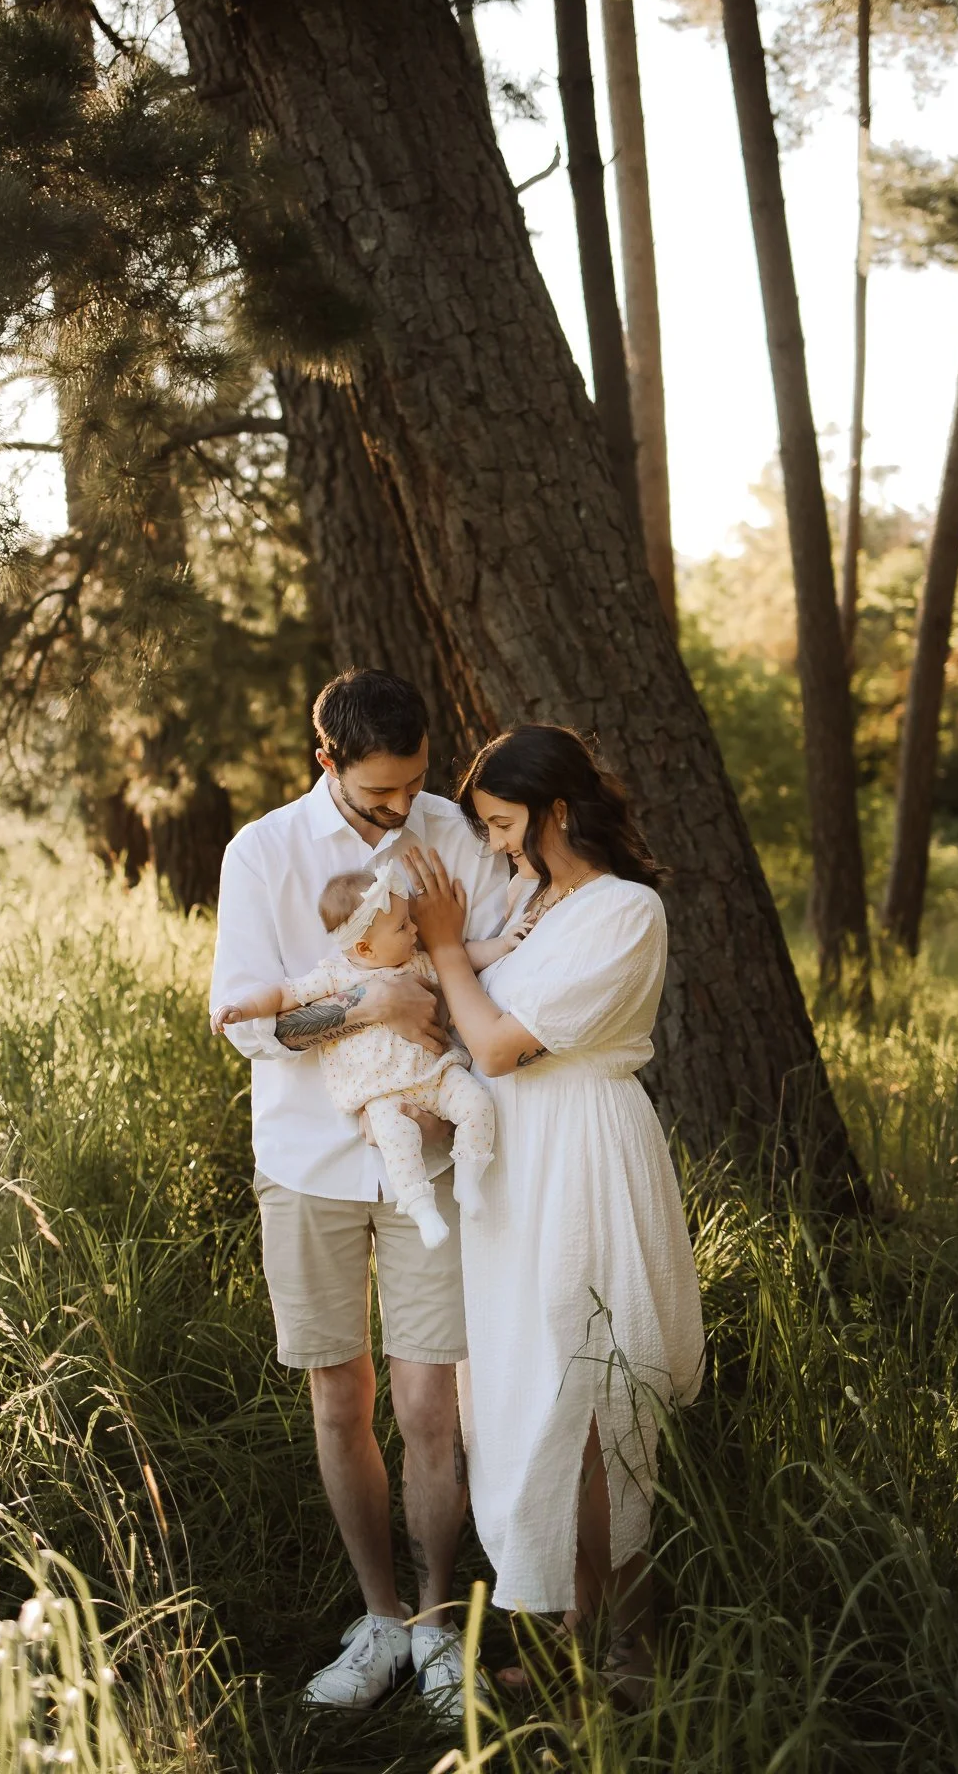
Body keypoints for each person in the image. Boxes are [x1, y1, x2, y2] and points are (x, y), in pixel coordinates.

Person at [209, 668, 508, 1716]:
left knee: (431, 1402)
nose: (400, 810)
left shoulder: (449, 830)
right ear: (324, 757)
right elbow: (244, 1024)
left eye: (414, 784)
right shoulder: (263, 852)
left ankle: (434, 1625)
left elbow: (499, 964)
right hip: (306, 1159)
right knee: (341, 1396)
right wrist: (359, 999)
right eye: (379, 793)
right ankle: (377, 1613)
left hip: (426, 1158)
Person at [405, 723, 706, 1698]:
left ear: (556, 811)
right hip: (510, 1170)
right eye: (485, 826)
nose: (493, 844)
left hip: (581, 1156)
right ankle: (578, 1635)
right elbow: (461, 1018)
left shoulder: (625, 912)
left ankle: (634, 1651)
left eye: (503, 823)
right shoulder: (528, 901)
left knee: (599, 1400)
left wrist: (449, 947)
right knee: (534, 1397)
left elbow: (497, 1043)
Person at [213, 857, 501, 1248]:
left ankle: (469, 1179)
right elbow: (283, 994)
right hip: (383, 1093)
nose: (415, 929)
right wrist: (242, 1008)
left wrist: (506, 942)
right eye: (403, 926)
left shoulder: (418, 961)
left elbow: (465, 955)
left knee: (477, 1103)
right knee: (395, 1136)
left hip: (437, 1074)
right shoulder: (334, 976)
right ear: (364, 945)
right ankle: (420, 1205)